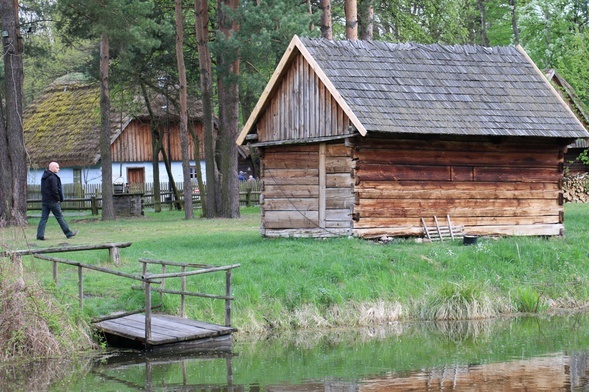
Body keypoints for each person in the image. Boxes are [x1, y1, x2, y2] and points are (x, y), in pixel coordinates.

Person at [36, 162, 78, 240]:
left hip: (45, 201)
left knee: (43, 218)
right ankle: (68, 233)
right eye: (57, 167)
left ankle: (39, 235)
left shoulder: (44, 177)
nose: (59, 169)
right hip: (53, 201)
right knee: (60, 217)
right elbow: (55, 190)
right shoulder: (52, 177)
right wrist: (58, 199)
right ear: (52, 168)